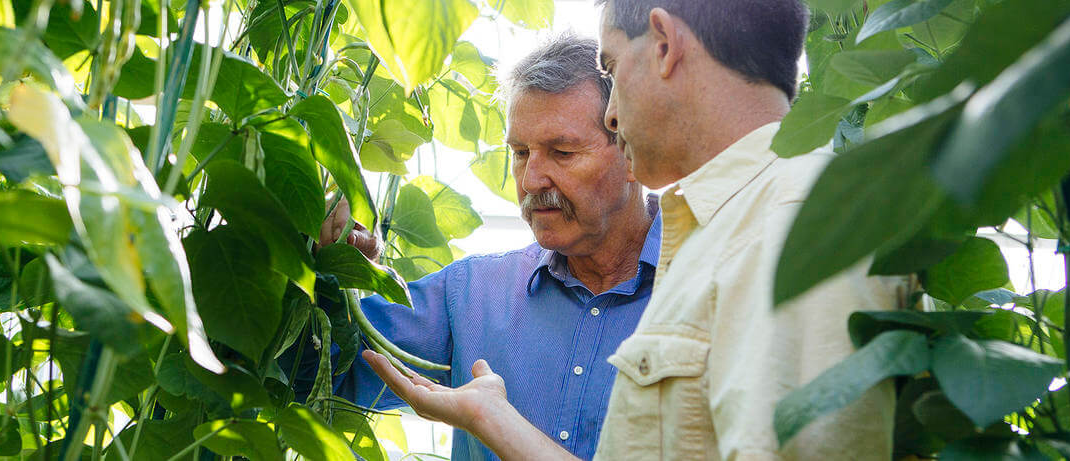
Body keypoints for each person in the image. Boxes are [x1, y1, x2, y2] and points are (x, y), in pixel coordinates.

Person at [360, 1, 911, 459]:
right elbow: (319, 359)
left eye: (615, 65)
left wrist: (497, 423)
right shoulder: (712, 234)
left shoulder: (797, 226)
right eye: (520, 152)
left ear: (665, 45)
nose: (616, 117)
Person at [317, 33, 661, 461]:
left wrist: (491, 418)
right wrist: (334, 265)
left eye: (563, 152)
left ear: (634, 149)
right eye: (520, 152)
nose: (531, 180)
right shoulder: (472, 294)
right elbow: (318, 372)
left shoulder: (712, 291)